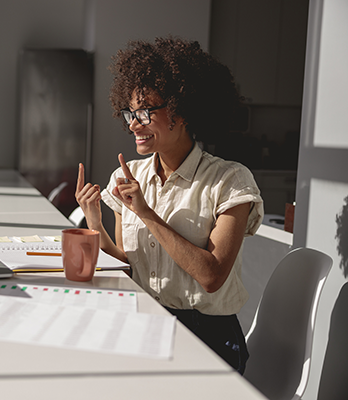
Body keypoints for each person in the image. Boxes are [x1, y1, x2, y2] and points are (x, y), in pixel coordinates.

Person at [75, 37, 263, 374]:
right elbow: (128, 264)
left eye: (146, 111)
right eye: (130, 112)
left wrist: (146, 214)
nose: (134, 123)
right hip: (143, 322)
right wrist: (94, 222)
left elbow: (211, 276)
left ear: (182, 110)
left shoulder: (230, 180)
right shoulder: (127, 175)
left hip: (209, 337)